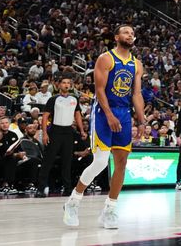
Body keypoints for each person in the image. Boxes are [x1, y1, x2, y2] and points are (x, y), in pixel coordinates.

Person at [63, 24, 146, 229]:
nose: (130, 35)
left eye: (132, 33)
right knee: (100, 161)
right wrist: (108, 114)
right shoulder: (106, 59)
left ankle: (109, 209)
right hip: (103, 112)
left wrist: (142, 120)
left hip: (124, 113)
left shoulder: (137, 64)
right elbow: (99, 90)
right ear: (117, 37)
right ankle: (73, 201)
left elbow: (136, 94)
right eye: (126, 32)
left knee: (121, 163)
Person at [37, 73, 85, 197]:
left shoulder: (74, 99)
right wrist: (45, 133)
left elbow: (78, 115)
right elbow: (45, 117)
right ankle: (41, 188)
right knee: (48, 160)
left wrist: (82, 130)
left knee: (67, 161)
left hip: (68, 132)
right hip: (55, 131)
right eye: (64, 83)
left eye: (68, 83)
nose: (66, 85)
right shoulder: (53, 99)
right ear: (59, 85)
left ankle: (68, 188)